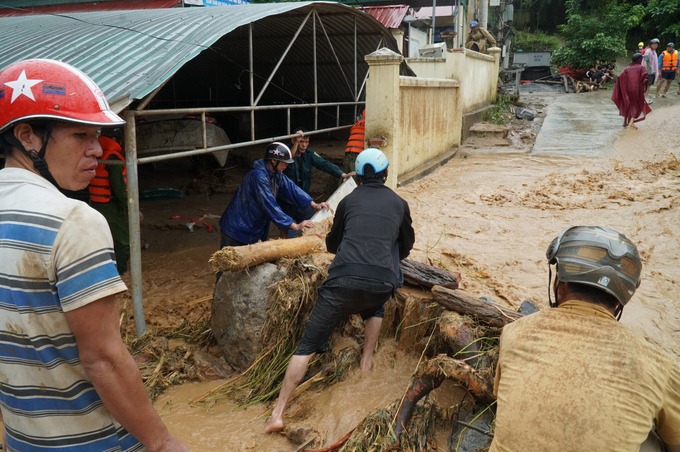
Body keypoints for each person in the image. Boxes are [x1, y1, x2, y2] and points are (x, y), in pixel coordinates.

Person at [0, 59, 189, 451]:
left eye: (98, 135)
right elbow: (102, 358)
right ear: (27, 136)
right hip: (96, 440)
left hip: (25, 440)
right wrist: (161, 442)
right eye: (81, 135)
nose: (98, 149)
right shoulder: (74, 221)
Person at [489, 226, 680, 452]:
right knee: (652, 434)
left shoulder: (515, 332)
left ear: (558, 282)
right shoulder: (659, 364)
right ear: (622, 300)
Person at [264, 148, 415, 434]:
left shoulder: (348, 200)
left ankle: (278, 413)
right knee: (376, 305)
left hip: (341, 284)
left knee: (307, 346)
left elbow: (332, 245)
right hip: (382, 284)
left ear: (357, 176)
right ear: (385, 174)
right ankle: (366, 364)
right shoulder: (399, 202)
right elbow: (406, 246)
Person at [218, 142, 328, 248]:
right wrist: (295, 226)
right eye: (284, 162)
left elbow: (292, 188)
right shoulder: (258, 177)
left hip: (253, 227)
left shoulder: (276, 175)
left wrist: (314, 204)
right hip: (237, 229)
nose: (286, 165)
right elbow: (269, 204)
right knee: (230, 264)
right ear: (274, 161)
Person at [279, 128, 353, 238]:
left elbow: (324, 164)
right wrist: (295, 143)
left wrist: (342, 174)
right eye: (301, 142)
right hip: (286, 200)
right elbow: (290, 158)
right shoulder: (285, 152)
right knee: (284, 228)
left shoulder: (309, 153)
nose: (304, 145)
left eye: (306, 142)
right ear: (293, 141)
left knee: (310, 225)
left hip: (303, 199)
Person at [89, 135, 137, 274]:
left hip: (99, 204)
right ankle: (119, 275)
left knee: (107, 240)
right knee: (123, 243)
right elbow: (120, 189)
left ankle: (108, 272)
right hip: (111, 206)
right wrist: (133, 207)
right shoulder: (112, 158)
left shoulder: (101, 154)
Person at [612, 53, 649, 129]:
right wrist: (645, 88)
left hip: (626, 89)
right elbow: (645, 78)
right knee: (637, 104)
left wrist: (622, 88)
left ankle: (625, 122)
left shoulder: (627, 68)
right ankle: (631, 122)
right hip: (637, 89)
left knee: (627, 103)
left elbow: (619, 77)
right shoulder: (642, 68)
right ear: (639, 60)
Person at [344, 110, 366, 181]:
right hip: (358, 154)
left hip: (348, 152)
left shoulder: (356, 124)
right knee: (356, 178)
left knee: (345, 176)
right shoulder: (369, 126)